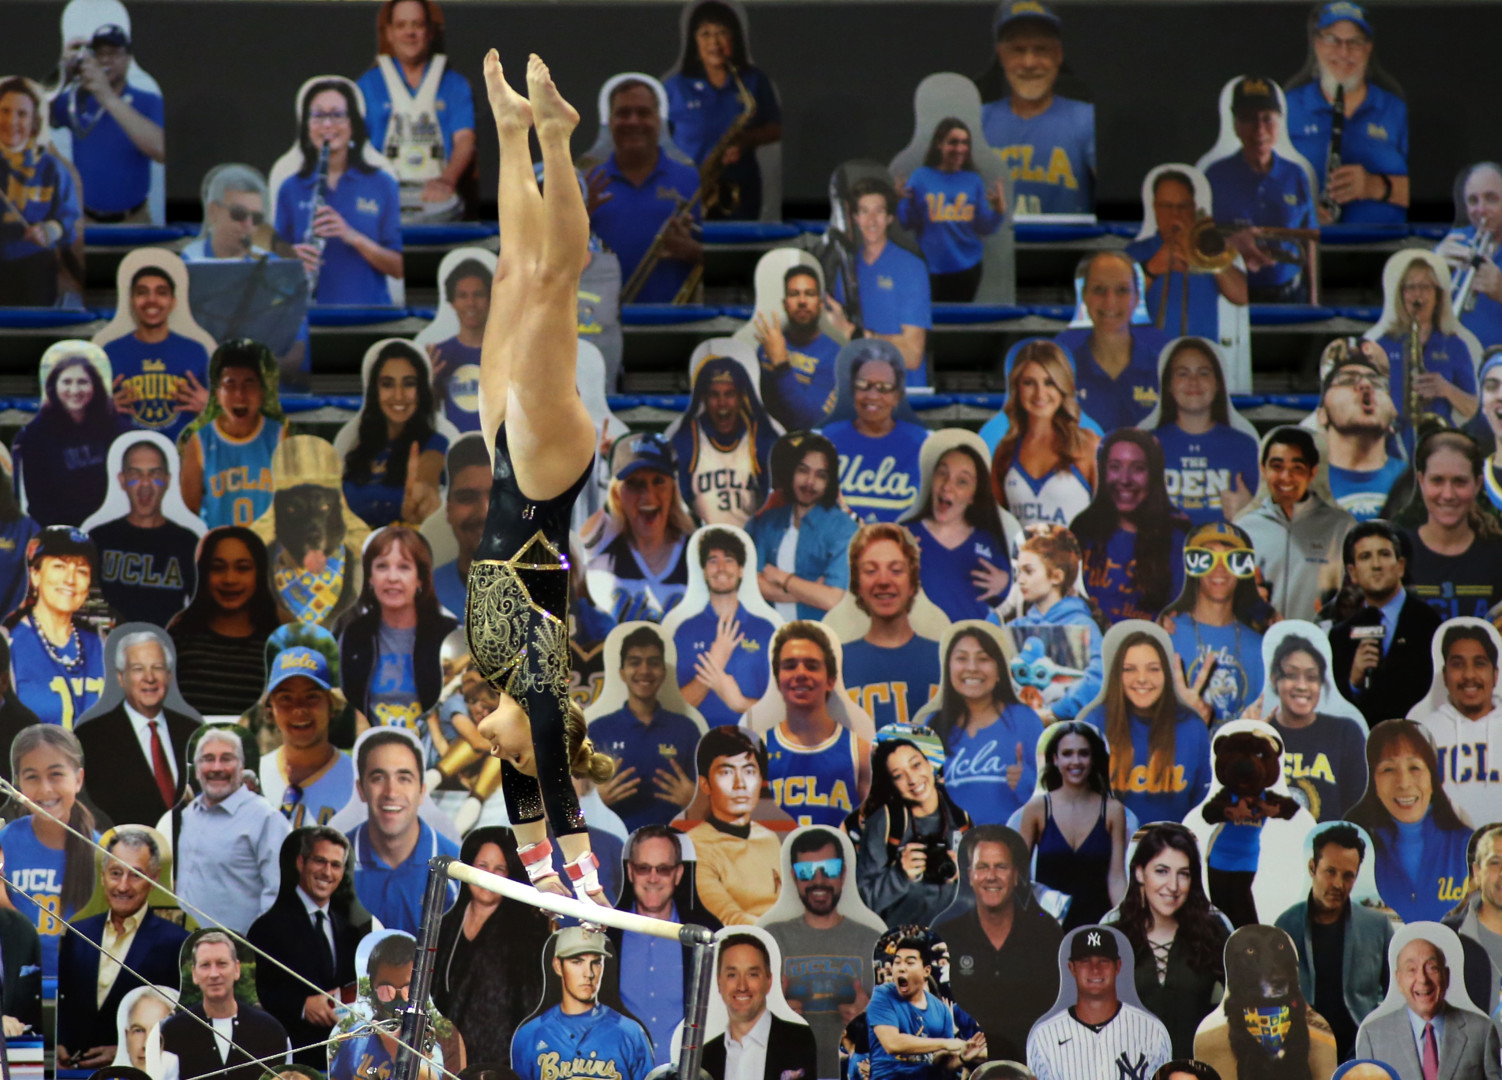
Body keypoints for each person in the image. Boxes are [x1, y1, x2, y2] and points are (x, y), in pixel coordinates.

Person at [467, 47, 629, 874]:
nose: (506, 759)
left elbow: (524, 796)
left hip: (509, 462)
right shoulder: (534, 674)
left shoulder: (504, 675)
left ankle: (508, 132)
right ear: (542, 727)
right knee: (555, 280)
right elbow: (552, 786)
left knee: (511, 274)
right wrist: (581, 883)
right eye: (521, 755)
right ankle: (558, 139)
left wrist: (534, 871)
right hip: (542, 476)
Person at [56, 827, 187, 1071]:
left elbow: (181, 1022)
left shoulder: (177, 943)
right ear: (103, 876)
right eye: (116, 873)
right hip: (74, 1072)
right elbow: (64, 1001)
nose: (123, 886)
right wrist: (59, 1042)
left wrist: (125, 1049)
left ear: (154, 879)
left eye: (136, 875)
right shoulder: (78, 933)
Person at [764, 827, 883, 1080]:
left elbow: (901, 1021)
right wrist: (774, 1014)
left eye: (829, 869)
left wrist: (868, 1017)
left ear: (843, 874)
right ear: (794, 879)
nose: (818, 881)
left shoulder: (873, 939)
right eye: (805, 872)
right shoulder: (771, 938)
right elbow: (743, 1016)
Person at [935, 827, 1063, 1063]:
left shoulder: (1048, 935)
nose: (991, 876)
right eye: (982, 867)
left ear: (1016, 875)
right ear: (970, 875)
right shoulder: (945, 935)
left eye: (1001, 866)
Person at [274, 78, 404, 305]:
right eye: (317, 115)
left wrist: (352, 237)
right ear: (306, 126)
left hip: (369, 319)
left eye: (336, 115)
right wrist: (291, 259)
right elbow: (273, 264)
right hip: (308, 318)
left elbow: (400, 268)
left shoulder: (383, 184)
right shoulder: (290, 188)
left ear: (353, 124)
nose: (327, 124)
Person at [246, 828, 368, 1068]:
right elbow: (255, 995)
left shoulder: (348, 931)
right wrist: (302, 1006)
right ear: (301, 862)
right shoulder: (266, 927)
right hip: (289, 1061)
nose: (327, 872)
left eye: (335, 865)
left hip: (339, 1060)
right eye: (320, 861)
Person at [432, 826, 552, 1068]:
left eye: (500, 869)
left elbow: (532, 1006)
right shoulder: (446, 925)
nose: (489, 876)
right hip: (444, 1058)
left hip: (499, 1061)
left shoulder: (526, 931)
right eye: (482, 866)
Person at [1272, 822, 1393, 1062]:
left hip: (1361, 1054)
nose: (1338, 884)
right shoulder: (1285, 926)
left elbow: (1395, 999)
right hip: (1300, 1055)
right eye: (1330, 871)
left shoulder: (1378, 926)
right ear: (1312, 868)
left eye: (1348, 876)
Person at [1106, 824, 1228, 1060]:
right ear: (1140, 873)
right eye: (1162, 871)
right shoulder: (1114, 939)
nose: (1173, 886)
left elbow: (1242, 1006)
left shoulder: (1212, 933)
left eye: (1183, 873)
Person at [1285, 2, 1409, 225]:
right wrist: (1299, 205)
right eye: (1332, 40)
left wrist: (1376, 186)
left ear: (1368, 49)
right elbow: (1257, 183)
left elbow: (1439, 192)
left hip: (1386, 248)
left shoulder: (1398, 110)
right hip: (1307, 248)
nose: (1344, 52)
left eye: (1355, 42)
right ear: (1316, 44)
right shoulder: (1286, 107)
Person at [356, 0, 477, 220]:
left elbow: (465, 139)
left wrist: (447, 180)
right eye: (401, 26)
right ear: (390, 33)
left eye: (417, 25)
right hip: (381, 192)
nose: (410, 33)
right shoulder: (368, 85)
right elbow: (353, 144)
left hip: (436, 193)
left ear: (429, 32)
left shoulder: (454, 85)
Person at [1079, 627, 1213, 824]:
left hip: (1173, 850)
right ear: (1117, 675)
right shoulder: (1094, 722)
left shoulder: (1192, 727)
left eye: (1153, 669)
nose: (1142, 678)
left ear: (1166, 675)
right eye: (1129, 669)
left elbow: (1204, 810)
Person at [1202, 77, 1318, 304]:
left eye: (1267, 119)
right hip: (1231, 295)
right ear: (1235, 125)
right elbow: (1201, 241)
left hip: (1290, 295)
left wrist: (1313, 298)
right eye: (1249, 119)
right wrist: (1230, 243)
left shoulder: (1295, 174)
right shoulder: (1214, 175)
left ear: (1280, 123)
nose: (1259, 129)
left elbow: (1308, 238)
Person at [664, 1, 782, 222]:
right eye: (705, 34)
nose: (714, 42)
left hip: (739, 191)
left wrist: (747, 140)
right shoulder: (675, 87)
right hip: (689, 191)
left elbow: (776, 128)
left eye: (722, 33)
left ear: (735, 38)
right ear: (693, 41)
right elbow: (657, 141)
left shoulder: (753, 81)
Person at [586, 78, 702, 303]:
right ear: (609, 121)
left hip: (674, 325)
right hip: (599, 325)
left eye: (643, 113)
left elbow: (725, 260)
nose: (633, 121)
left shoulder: (693, 181)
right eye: (623, 113)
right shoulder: (584, 183)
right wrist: (575, 220)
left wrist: (692, 250)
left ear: (659, 120)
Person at [1344, 719, 1471, 923]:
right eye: (1388, 769)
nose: (1403, 783)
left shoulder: (1470, 847)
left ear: (1433, 777)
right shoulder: (1353, 847)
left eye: (1414, 767)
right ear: (1372, 781)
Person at [338, 525, 456, 741]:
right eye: (382, 566)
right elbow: (351, 710)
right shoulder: (354, 634)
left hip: (436, 753)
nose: (392, 577)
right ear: (370, 578)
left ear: (420, 578)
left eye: (404, 567)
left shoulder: (447, 633)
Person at [600, 826, 705, 1067]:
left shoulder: (701, 939)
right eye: (644, 868)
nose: (653, 878)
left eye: (664, 869)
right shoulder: (607, 936)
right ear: (630, 872)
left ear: (678, 874)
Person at [978, 1, 1094, 217]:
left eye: (1041, 49)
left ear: (1058, 55)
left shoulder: (1086, 120)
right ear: (1001, 56)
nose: (1029, 63)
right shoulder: (976, 121)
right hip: (993, 249)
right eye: (1018, 50)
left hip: (1070, 248)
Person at [76, 629, 198, 827]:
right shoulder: (91, 737)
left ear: (168, 676)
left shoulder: (192, 731)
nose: (149, 678)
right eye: (138, 669)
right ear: (121, 678)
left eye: (157, 668)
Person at [3, 726, 97, 979]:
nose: (45, 789)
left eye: (56, 774)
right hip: (20, 992)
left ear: (78, 779)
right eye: (32, 777)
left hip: (79, 991)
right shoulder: (6, 841)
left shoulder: (102, 852)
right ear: (18, 784)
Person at [175, 726, 290, 933]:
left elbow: (279, 896)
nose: (216, 767)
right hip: (186, 948)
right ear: (198, 768)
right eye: (208, 759)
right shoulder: (189, 814)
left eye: (226, 759)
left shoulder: (266, 819)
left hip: (236, 954)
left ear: (241, 766)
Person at [924, 626, 1042, 826]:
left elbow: (1052, 799)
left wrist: (1027, 782)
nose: (972, 667)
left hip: (1013, 845)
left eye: (983, 659)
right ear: (948, 669)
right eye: (961, 658)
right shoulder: (932, 725)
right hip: (956, 849)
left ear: (999, 672)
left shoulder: (1026, 720)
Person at [1234, 426, 1354, 622]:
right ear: (1263, 470)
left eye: (1297, 468)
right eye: (1277, 466)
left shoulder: (1341, 526)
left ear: (1312, 472)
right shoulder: (1244, 528)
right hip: (1260, 643)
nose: (1286, 477)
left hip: (1320, 645)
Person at [588, 626, 701, 833]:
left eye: (653, 663)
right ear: (622, 673)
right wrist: (596, 801)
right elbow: (576, 804)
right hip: (614, 843)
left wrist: (692, 801)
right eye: (634, 662)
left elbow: (705, 807)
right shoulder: (598, 731)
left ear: (664, 672)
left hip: (674, 845)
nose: (644, 670)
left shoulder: (687, 730)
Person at [1016, 721, 1127, 931]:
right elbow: (1019, 875)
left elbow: (1116, 877)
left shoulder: (1113, 810)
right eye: (1067, 754)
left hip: (1098, 925)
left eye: (1083, 753)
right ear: (1055, 760)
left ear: (1093, 759)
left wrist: (1124, 922)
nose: (1075, 761)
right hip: (1046, 926)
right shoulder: (1037, 809)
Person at [1328, 520, 1440, 726]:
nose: (1376, 565)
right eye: (1365, 557)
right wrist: (1354, 682)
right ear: (1353, 572)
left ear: (1401, 566)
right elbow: (1332, 707)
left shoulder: (1429, 624)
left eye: (1384, 554)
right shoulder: (1340, 635)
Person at [823, 176, 934, 384]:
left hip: (904, 392)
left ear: (890, 217)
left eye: (879, 211)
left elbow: (912, 356)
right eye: (864, 211)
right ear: (855, 217)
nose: (871, 220)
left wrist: (854, 334)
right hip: (862, 391)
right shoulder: (845, 270)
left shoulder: (911, 268)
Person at [1072, 430, 1190, 624]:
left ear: (1153, 474)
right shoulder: (1082, 530)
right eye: (1114, 467)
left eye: (1138, 468)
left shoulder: (1177, 539)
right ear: (1102, 471)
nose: (1125, 479)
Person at [50, 22, 164, 224]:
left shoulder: (149, 100)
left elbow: (160, 150)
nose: (105, 60)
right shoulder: (77, 100)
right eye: (99, 54)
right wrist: (62, 74)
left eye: (113, 54)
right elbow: (38, 116)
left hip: (134, 220)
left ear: (128, 59)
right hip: (85, 219)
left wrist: (108, 97)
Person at [12, 344, 136, 528]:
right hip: (61, 536)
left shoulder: (120, 431)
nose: (75, 390)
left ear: (95, 386)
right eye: (67, 382)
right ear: (53, 386)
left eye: (82, 382)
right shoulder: (33, 437)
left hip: (113, 532)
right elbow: (36, 504)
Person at [165, 526, 284, 717]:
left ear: (259, 574)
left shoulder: (276, 644)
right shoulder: (181, 634)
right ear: (204, 574)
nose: (229, 579)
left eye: (242, 568)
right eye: (218, 568)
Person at [1025, 928, 1173, 1080]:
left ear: (1118, 966)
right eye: (1085, 961)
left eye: (1104, 961)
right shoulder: (1044, 1037)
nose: (1095, 969)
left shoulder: (1153, 1031)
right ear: (1072, 968)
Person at [762, 621, 872, 827]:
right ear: (778, 679)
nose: (800, 673)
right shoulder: (755, 752)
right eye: (790, 665)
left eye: (812, 666)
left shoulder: (860, 752)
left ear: (830, 680)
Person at [853, 737, 972, 927]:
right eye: (899, 775)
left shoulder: (964, 814)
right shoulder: (887, 822)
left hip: (957, 938)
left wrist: (967, 873)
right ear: (892, 783)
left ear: (929, 764)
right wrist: (899, 875)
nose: (912, 780)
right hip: (902, 944)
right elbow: (862, 903)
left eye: (916, 765)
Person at [348, 729, 459, 930]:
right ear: (361, 790)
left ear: (422, 791)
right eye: (378, 778)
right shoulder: (333, 861)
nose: (391, 792)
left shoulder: (457, 869)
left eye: (404, 778)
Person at [511, 926, 654, 1080]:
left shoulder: (631, 1033)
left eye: (596, 962)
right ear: (558, 966)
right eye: (577, 962)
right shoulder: (529, 1036)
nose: (589, 973)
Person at [1160, 522, 1266, 728]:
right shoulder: (1166, 634)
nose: (1219, 567)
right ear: (1191, 567)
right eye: (1207, 557)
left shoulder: (1261, 647)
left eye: (1232, 558)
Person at [1353, 935, 1501, 1080]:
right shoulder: (1372, 1037)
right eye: (1412, 969)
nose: (1423, 979)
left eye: (1432, 968)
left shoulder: (1482, 1031)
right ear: (1398, 979)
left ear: (1446, 976)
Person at [904, 435, 1016, 625]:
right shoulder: (903, 535)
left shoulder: (989, 542)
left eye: (962, 481)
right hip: (915, 649)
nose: (948, 486)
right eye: (942, 474)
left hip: (968, 649)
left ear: (973, 495)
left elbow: (1017, 608)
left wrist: (1006, 586)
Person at [1145, 339, 1259, 527]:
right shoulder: (1145, 444)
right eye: (1183, 373)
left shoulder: (1245, 445)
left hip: (1225, 553)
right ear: (1168, 385)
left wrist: (1250, 511)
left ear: (1218, 384)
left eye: (1203, 373)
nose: (1193, 382)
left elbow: (1270, 521)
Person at [1054, 252, 1171, 434]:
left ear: (1137, 298)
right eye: (1099, 289)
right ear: (1084, 295)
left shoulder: (1163, 371)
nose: (1110, 302)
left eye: (1122, 290)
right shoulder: (1061, 372)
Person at [584, 432, 695, 625]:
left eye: (658, 481)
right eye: (634, 484)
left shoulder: (697, 553)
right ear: (617, 493)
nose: (648, 496)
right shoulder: (599, 549)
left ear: (673, 489)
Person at [87, 438, 200, 625]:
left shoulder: (187, 543)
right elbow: (82, 606)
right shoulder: (99, 539)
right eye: (135, 474)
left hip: (165, 650)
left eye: (154, 473)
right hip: (109, 649)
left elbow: (201, 610)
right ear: (122, 481)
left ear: (167, 480)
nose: (145, 483)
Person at [840, 523, 942, 728]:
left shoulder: (945, 659)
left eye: (896, 570)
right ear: (857, 583)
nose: (884, 580)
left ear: (912, 582)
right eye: (871, 570)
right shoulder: (837, 664)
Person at [1259, 632, 1369, 821]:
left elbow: (1358, 811)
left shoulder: (1345, 733)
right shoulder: (1260, 734)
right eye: (1291, 675)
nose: (1302, 686)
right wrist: (1247, 741)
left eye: (1311, 677)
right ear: (1274, 679)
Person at [747, 432, 857, 621]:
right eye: (803, 471)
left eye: (820, 475)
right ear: (791, 473)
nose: (809, 482)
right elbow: (750, 585)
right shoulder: (769, 521)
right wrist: (811, 591)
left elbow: (832, 599)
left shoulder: (844, 528)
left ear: (829, 482)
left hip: (820, 638)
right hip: (772, 634)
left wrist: (783, 578)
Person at [1125, 171, 1248, 339]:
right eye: (1167, 206)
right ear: (1155, 208)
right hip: (1148, 361)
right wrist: (1152, 267)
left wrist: (1210, 253)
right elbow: (1119, 302)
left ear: (1193, 207)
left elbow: (1242, 296)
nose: (1175, 214)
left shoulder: (1210, 250)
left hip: (1201, 360)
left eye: (1183, 206)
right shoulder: (1134, 252)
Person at [179, 339, 287, 530]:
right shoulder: (199, 442)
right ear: (218, 394)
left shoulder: (281, 437)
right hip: (220, 552)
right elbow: (189, 514)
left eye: (249, 383)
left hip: (268, 552)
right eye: (230, 384)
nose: (240, 394)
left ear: (262, 392)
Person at [988, 340, 1098, 528]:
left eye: (1049, 383)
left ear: (1063, 386)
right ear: (1017, 388)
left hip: (1078, 557)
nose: (1040, 394)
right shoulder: (1006, 451)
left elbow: (1108, 522)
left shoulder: (1089, 445)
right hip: (1021, 557)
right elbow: (996, 527)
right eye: (1029, 383)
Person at [5, 526, 106, 729]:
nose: (70, 580)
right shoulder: (8, 643)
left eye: (81, 570)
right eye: (59, 566)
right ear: (35, 575)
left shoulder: (102, 643)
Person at [1396, 430, 1502, 622]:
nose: (1448, 494)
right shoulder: (1395, 554)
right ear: (1421, 481)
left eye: (1459, 482)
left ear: (1478, 484)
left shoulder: (1497, 557)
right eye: (1437, 480)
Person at [677, 526, 778, 725]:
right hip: (697, 744)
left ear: (741, 571)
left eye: (729, 560)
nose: (721, 568)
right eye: (713, 561)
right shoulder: (684, 631)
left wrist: (739, 703)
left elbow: (780, 710)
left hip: (751, 742)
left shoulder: (766, 630)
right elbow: (675, 709)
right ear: (704, 571)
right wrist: (716, 661)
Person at [896, 119, 1005, 302]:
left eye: (964, 143)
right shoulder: (921, 177)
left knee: (960, 325)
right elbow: (907, 223)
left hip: (968, 267)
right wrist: (899, 202)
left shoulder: (973, 180)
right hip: (929, 267)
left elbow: (984, 227)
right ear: (939, 144)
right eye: (953, 142)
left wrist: (998, 211)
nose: (960, 148)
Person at [1004, 523, 1104, 724]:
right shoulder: (1015, 627)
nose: (1020, 581)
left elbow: (1098, 677)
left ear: (1057, 576)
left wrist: (1055, 712)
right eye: (1019, 572)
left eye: (1029, 571)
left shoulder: (1082, 623)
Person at [821, 343, 931, 523]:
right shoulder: (830, 438)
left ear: (897, 396)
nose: (872, 395)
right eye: (863, 385)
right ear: (852, 390)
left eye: (884, 388)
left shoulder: (919, 442)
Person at [342, 341, 448, 529]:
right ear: (375, 391)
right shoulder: (355, 444)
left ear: (420, 391)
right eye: (387, 384)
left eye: (408, 384)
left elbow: (427, 475)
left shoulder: (435, 444)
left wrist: (423, 493)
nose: (399, 396)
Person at [158, 932, 292, 1080]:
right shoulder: (173, 1032)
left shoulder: (271, 1031)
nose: (214, 974)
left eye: (221, 964)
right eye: (205, 965)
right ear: (194, 974)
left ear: (236, 969)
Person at [1375, 255, 1479, 445]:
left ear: (1437, 296)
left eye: (1425, 287)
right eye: (1411, 288)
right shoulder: (1383, 344)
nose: (1417, 295)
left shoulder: (1454, 345)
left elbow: (1472, 408)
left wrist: (1447, 390)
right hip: (1392, 445)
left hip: (1440, 442)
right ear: (1402, 295)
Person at [685, 726, 783, 924]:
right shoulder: (694, 846)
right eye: (727, 772)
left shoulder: (770, 839)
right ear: (705, 784)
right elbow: (728, 918)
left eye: (749, 771)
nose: (740, 784)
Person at [102, 265, 211, 443]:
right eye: (142, 292)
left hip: (183, 457)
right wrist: (100, 413)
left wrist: (210, 409)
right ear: (131, 301)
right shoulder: (110, 352)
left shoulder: (196, 351)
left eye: (161, 293)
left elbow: (216, 419)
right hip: (127, 459)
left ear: (173, 302)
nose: (151, 300)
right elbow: (89, 420)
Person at [1410, 621, 1502, 826]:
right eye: (1458, 664)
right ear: (1444, 675)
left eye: (1479, 663)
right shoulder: (1422, 732)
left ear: (1495, 674)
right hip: (1446, 852)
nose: (1469, 675)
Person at [0, 76, 81, 306]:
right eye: (4, 111)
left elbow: (68, 221)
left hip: (33, 267)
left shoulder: (52, 168)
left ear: (34, 120)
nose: (11, 120)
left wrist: (49, 231)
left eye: (21, 114)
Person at [670, 357, 778, 527]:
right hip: (702, 541)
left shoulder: (761, 437)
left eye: (729, 394)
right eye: (714, 394)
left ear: (742, 396)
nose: (722, 403)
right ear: (703, 398)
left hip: (751, 542)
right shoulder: (687, 438)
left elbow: (777, 500)